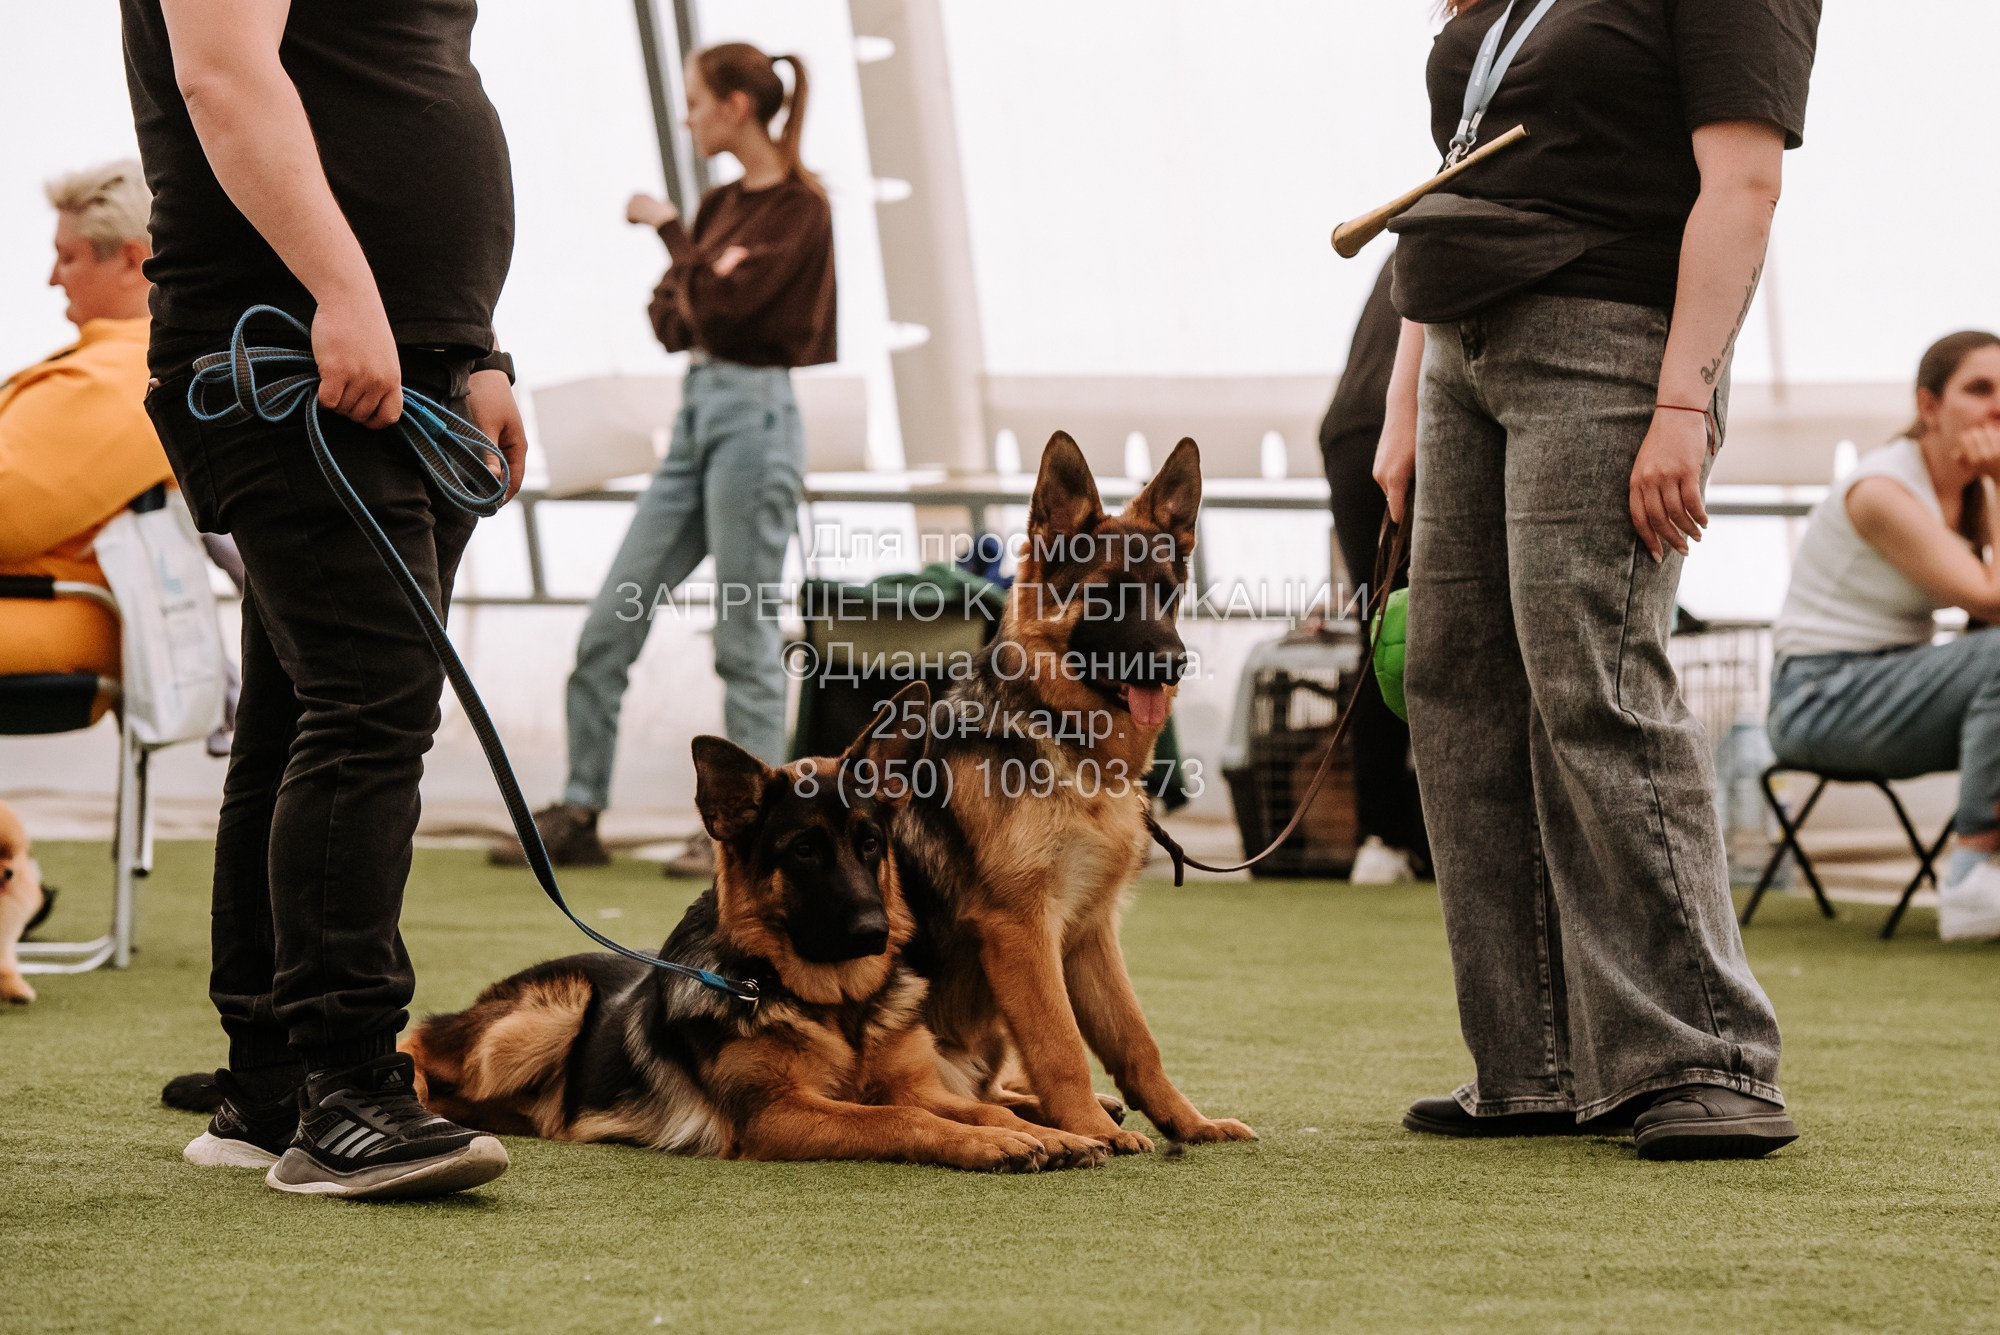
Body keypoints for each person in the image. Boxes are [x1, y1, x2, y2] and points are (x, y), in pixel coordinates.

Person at [1372, 0, 1820, 1159]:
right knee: (1455, 690)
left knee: (1596, 684)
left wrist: (1680, 402)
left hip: (1610, 338)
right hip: (1461, 339)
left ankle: (1704, 1057)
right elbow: (1457, 171)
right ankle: (1531, 1063)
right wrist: (1402, 393)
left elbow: (1743, 185)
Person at [124, 0, 527, 1199]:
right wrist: (343, 291)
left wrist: (478, 349)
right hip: (289, 344)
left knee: (304, 707)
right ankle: (348, 1086)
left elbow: (395, 83)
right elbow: (224, 78)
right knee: (369, 699)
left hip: (408, 359)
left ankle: (271, 1087)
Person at [495, 43, 835, 878]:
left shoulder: (799, 210)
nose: (687, 117)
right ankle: (580, 808)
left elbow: (720, 308)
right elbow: (677, 319)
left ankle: (753, 831)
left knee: (744, 634)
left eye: (695, 101)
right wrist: (701, 270)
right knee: (610, 622)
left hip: (757, 423)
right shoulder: (722, 206)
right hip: (697, 419)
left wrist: (673, 236)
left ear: (736, 107)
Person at [1768, 332, 2000, 943]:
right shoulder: (1880, 491)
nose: (1998, 407)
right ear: (1929, 405)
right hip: (1819, 700)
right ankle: (1972, 881)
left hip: (1893, 686)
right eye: (1980, 389)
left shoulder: (1973, 493)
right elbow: (1992, 600)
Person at [0, 161, 174, 697]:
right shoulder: (128, 367)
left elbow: (5, 508)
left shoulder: (118, 377)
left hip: (44, 610)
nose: (53, 279)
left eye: (68, 257)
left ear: (131, 261)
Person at [1318, 258, 1431, 883]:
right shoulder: (1493, 217)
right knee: (1421, 636)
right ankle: (1403, 835)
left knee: (1383, 633)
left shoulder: (1406, 237)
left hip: (1349, 432)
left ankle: (1380, 840)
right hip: (1406, 425)